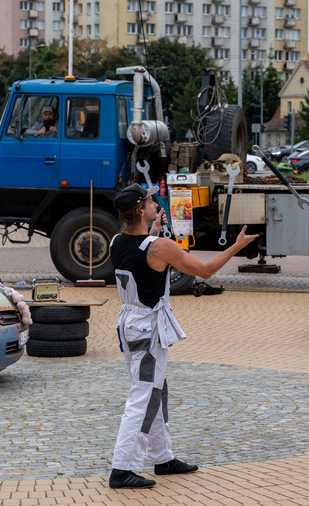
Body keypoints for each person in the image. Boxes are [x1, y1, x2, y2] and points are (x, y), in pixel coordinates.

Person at [108, 183, 258, 489]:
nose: (155, 203)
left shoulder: (116, 241)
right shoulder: (160, 247)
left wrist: (155, 231)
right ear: (140, 210)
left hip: (131, 323)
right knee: (144, 395)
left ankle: (162, 458)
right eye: (151, 201)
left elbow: (145, 263)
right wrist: (237, 246)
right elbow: (205, 271)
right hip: (147, 329)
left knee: (155, 390)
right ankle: (122, 468)